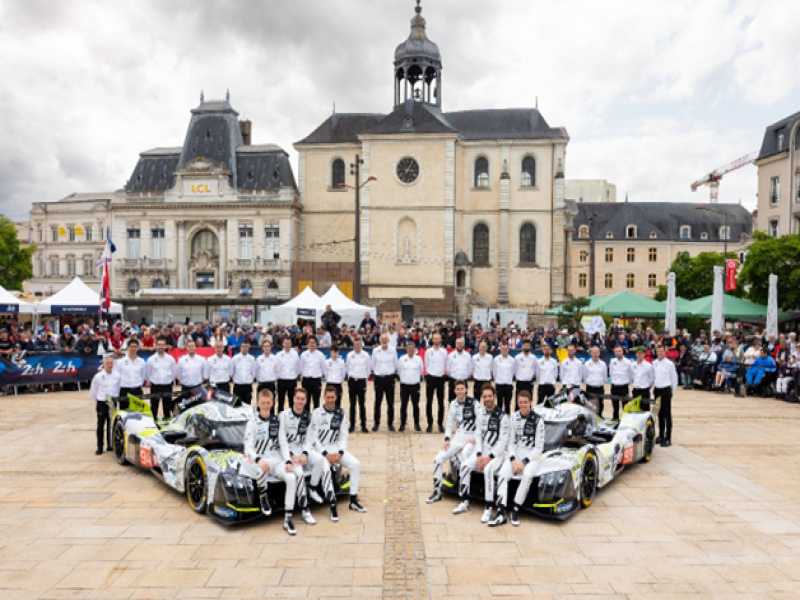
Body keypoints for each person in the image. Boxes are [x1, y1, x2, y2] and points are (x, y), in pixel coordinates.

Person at [244, 388, 298, 535]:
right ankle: (263, 495)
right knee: (261, 470)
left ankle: (288, 518)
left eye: (269, 403)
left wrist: (287, 460)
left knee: (292, 477)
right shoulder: (252, 422)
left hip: (276, 459)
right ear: (258, 403)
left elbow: (283, 443)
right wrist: (259, 460)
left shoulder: (276, 421)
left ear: (273, 403)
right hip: (260, 459)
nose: (266, 406)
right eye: (263, 403)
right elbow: (247, 448)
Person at [453, 385, 509, 524]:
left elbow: (502, 442)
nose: (487, 399)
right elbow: (478, 435)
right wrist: (478, 455)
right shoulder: (481, 414)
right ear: (482, 398)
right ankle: (465, 501)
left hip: (496, 455)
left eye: (490, 396)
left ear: (494, 397)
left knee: (488, 469)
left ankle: (489, 506)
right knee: (465, 466)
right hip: (481, 452)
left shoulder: (503, 416)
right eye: (485, 396)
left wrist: (488, 458)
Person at [308, 386, 366, 514]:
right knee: (326, 470)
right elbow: (314, 438)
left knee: (356, 464)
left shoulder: (340, 413)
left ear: (336, 397)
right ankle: (332, 504)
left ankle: (353, 500)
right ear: (324, 398)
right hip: (322, 452)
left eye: (332, 397)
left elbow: (344, 435)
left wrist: (340, 453)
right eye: (328, 397)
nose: (330, 400)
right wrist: (325, 454)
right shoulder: (317, 413)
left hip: (336, 449)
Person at [280, 388, 335, 523]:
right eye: (298, 398)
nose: (300, 401)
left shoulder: (308, 417)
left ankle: (312, 488)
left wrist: (304, 453)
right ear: (293, 399)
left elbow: (309, 439)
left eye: (302, 399)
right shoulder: (284, 416)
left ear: (306, 401)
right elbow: (281, 440)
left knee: (320, 459)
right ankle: (305, 510)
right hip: (288, 453)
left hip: (302, 450)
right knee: (298, 472)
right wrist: (291, 456)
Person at [494, 389, 544, 527]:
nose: (523, 405)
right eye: (520, 402)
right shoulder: (514, 417)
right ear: (517, 403)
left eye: (525, 402)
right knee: (503, 473)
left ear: (531, 403)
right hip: (516, 453)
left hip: (531, 457)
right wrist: (513, 460)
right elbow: (510, 442)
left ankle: (515, 508)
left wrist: (524, 462)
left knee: (527, 474)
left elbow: (539, 448)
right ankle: (501, 509)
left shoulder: (538, 420)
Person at [427, 380, 481, 504]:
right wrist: (447, 439)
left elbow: (481, 423)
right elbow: (450, 423)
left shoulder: (474, 403)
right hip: (457, 439)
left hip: (470, 439)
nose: (460, 391)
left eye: (462, 388)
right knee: (437, 460)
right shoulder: (453, 404)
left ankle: (465, 496)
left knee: (465, 459)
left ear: (466, 390)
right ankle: (436, 491)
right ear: (454, 391)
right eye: (458, 389)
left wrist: (476, 439)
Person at [90, 355, 121, 455]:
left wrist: (114, 398)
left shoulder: (117, 375)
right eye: (107, 363)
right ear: (103, 364)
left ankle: (110, 445)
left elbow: (118, 388)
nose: (109, 365)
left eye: (111, 363)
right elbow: (93, 391)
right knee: (100, 425)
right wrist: (98, 401)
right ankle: (100, 446)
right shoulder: (98, 376)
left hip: (112, 402)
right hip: (101, 402)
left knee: (111, 424)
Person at [371, 333, 398, 431]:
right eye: (382, 339)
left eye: (385, 339)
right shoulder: (376, 351)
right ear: (380, 340)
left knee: (390, 402)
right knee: (377, 402)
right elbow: (373, 365)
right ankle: (376, 423)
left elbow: (395, 364)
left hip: (389, 378)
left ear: (389, 340)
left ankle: (390, 424)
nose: (384, 340)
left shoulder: (392, 351)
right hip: (379, 378)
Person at [653, 344, 678, 447]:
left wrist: (672, 392)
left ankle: (668, 437)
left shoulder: (670, 364)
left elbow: (674, 378)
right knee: (659, 414)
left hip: (666, 389)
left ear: (665, 351)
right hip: (657, 389)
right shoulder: (654, 363)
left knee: (667, 414)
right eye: (658, 351)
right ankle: (661, 435)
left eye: (661, 351)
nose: (659, 353)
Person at [145, 338, 177, 420]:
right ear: (156, 346)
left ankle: (167, 424)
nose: (161, 346)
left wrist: (168, 380)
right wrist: (152, 382)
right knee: (154, 407)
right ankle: (153, 423)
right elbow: (147, 374)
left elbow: (173, 372)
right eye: (159, 345)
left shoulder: (170, 359)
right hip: (155, 387)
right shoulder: (151, 359)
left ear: (165, 346)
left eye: (162, 345)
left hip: (167, 386)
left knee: (167, 408)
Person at [346, 337, 371, 434]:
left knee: (361, 404)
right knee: (352, 404)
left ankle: (363, 425)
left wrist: (363, 377)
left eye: (358, 344)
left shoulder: (365, 355)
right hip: (352, 381)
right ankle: (352, 425)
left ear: (361, 345)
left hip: (361, 381)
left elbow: (368, 369)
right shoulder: (349, 355)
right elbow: (347, 368)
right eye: (355, 344)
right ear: (353, 345)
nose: (357, 346)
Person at [398, 341, 424, 432]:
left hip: (415, 386)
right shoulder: (402, 359)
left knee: (415, 406)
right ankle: (402, 424)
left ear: (415, 349)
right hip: (404, 386)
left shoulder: (418, 359)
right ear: (406, 349)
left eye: (412, 348)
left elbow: (421, 371)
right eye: (409, 348)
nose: (410, 350)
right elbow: (399, 371)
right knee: (403, 406)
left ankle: (417, 424)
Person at [424, 333, 448, 433]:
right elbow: (426, 363)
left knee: (441, 402)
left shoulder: (444, 352)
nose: (436, 340)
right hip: (430, 377)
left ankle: (440, 423)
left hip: (440, 378)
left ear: (441, 340)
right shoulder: (428, 351)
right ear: (432, 340)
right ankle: (430, 424)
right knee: (429, 402)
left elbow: (446, 364)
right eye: (435, 338)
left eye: (438, 338)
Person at [275, 336, 301, 412]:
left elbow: (298, 367)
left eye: (288, 343)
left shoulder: (295, 354)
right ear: (283, 344)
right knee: (280, 401)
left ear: (291, 344)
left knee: (292, 401)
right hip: (281, 380)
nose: (287, 345)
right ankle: (280, 416)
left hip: (291, 381)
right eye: (285, 343)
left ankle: (292, 417)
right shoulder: (278, 355)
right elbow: (276, 368)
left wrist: (294, 376)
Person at [300, 337, 326, 411]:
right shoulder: (303, 355)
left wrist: (319, 376)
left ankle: (316, 420)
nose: (312, 344)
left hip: (316, 380)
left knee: (316, 401)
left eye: (313, 342)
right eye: (310, 342)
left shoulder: (320, 355)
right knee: (306, 402)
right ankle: (306, 420)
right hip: (306, 380)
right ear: (307, 343)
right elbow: (301, 367)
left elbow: (323, 368)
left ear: (316, 343)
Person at [608, 346, 633, 420]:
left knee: (625, 406)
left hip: (624, 387)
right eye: (616, 351)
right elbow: (611, 373)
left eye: (619, 351)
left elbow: (630, 375)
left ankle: (625, 420)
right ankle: (615, 419)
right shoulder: (612, 362)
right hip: (614, 386)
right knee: (615, 406)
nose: (618, 353)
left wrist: (626, 382)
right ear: (614, 352)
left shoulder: (628, 362)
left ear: (622, 351)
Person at [582, 346, 608, 416]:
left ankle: (599, 417)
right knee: (589, 404)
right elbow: (584, 376)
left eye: (597, 353)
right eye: (594, 353)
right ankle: (590, 418)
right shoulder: (587, 364)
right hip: (590, 388)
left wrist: (601, 382)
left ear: (599, 353)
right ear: (591, 353)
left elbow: (604, 376)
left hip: (600, 388)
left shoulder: (603, 364)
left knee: (600, 403)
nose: (595, 354)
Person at [231, 340, 256, 405]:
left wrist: (250, 380)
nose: (245, 348)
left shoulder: (252, 358)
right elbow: (232, 371)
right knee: (237, 405)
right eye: (243, 346)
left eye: (246, 347)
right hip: (238, 386)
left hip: (248, 386)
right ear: (240, 348)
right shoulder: (235, 358)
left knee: (248, 404)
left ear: (248, 348)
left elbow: (253, 372)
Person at [492, 340, 515, 413]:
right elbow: (494, 372)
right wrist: (497, 381)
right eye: (503, 348)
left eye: (506, 349)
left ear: (508, 349)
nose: (504, 350)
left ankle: (507, 420)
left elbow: (513, 372)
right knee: (499, 404)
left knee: (508, 404)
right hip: (499, 385)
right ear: (500, 349)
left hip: (508, 385)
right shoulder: (496, 359)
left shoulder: (512, 360)